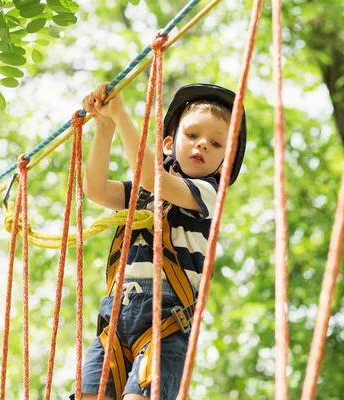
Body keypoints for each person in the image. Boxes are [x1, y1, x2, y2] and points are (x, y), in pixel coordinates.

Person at [73, 82, 247, 400]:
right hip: (115, 318)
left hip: (166, 324)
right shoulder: (144, 195)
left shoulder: (208, 194)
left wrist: (121, 114)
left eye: (216, 143)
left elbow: (153, 176)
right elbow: (96, 189)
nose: (203, 145)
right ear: (168, 144)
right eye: (192, 135)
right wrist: (105, 126)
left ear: (226, 160)